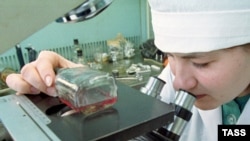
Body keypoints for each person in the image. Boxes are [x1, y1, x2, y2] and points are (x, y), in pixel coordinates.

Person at [6, 0, 250, 141]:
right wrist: (85, 87)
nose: (178, 82)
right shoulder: (174, 84)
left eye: (201, 62)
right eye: (170, 56)